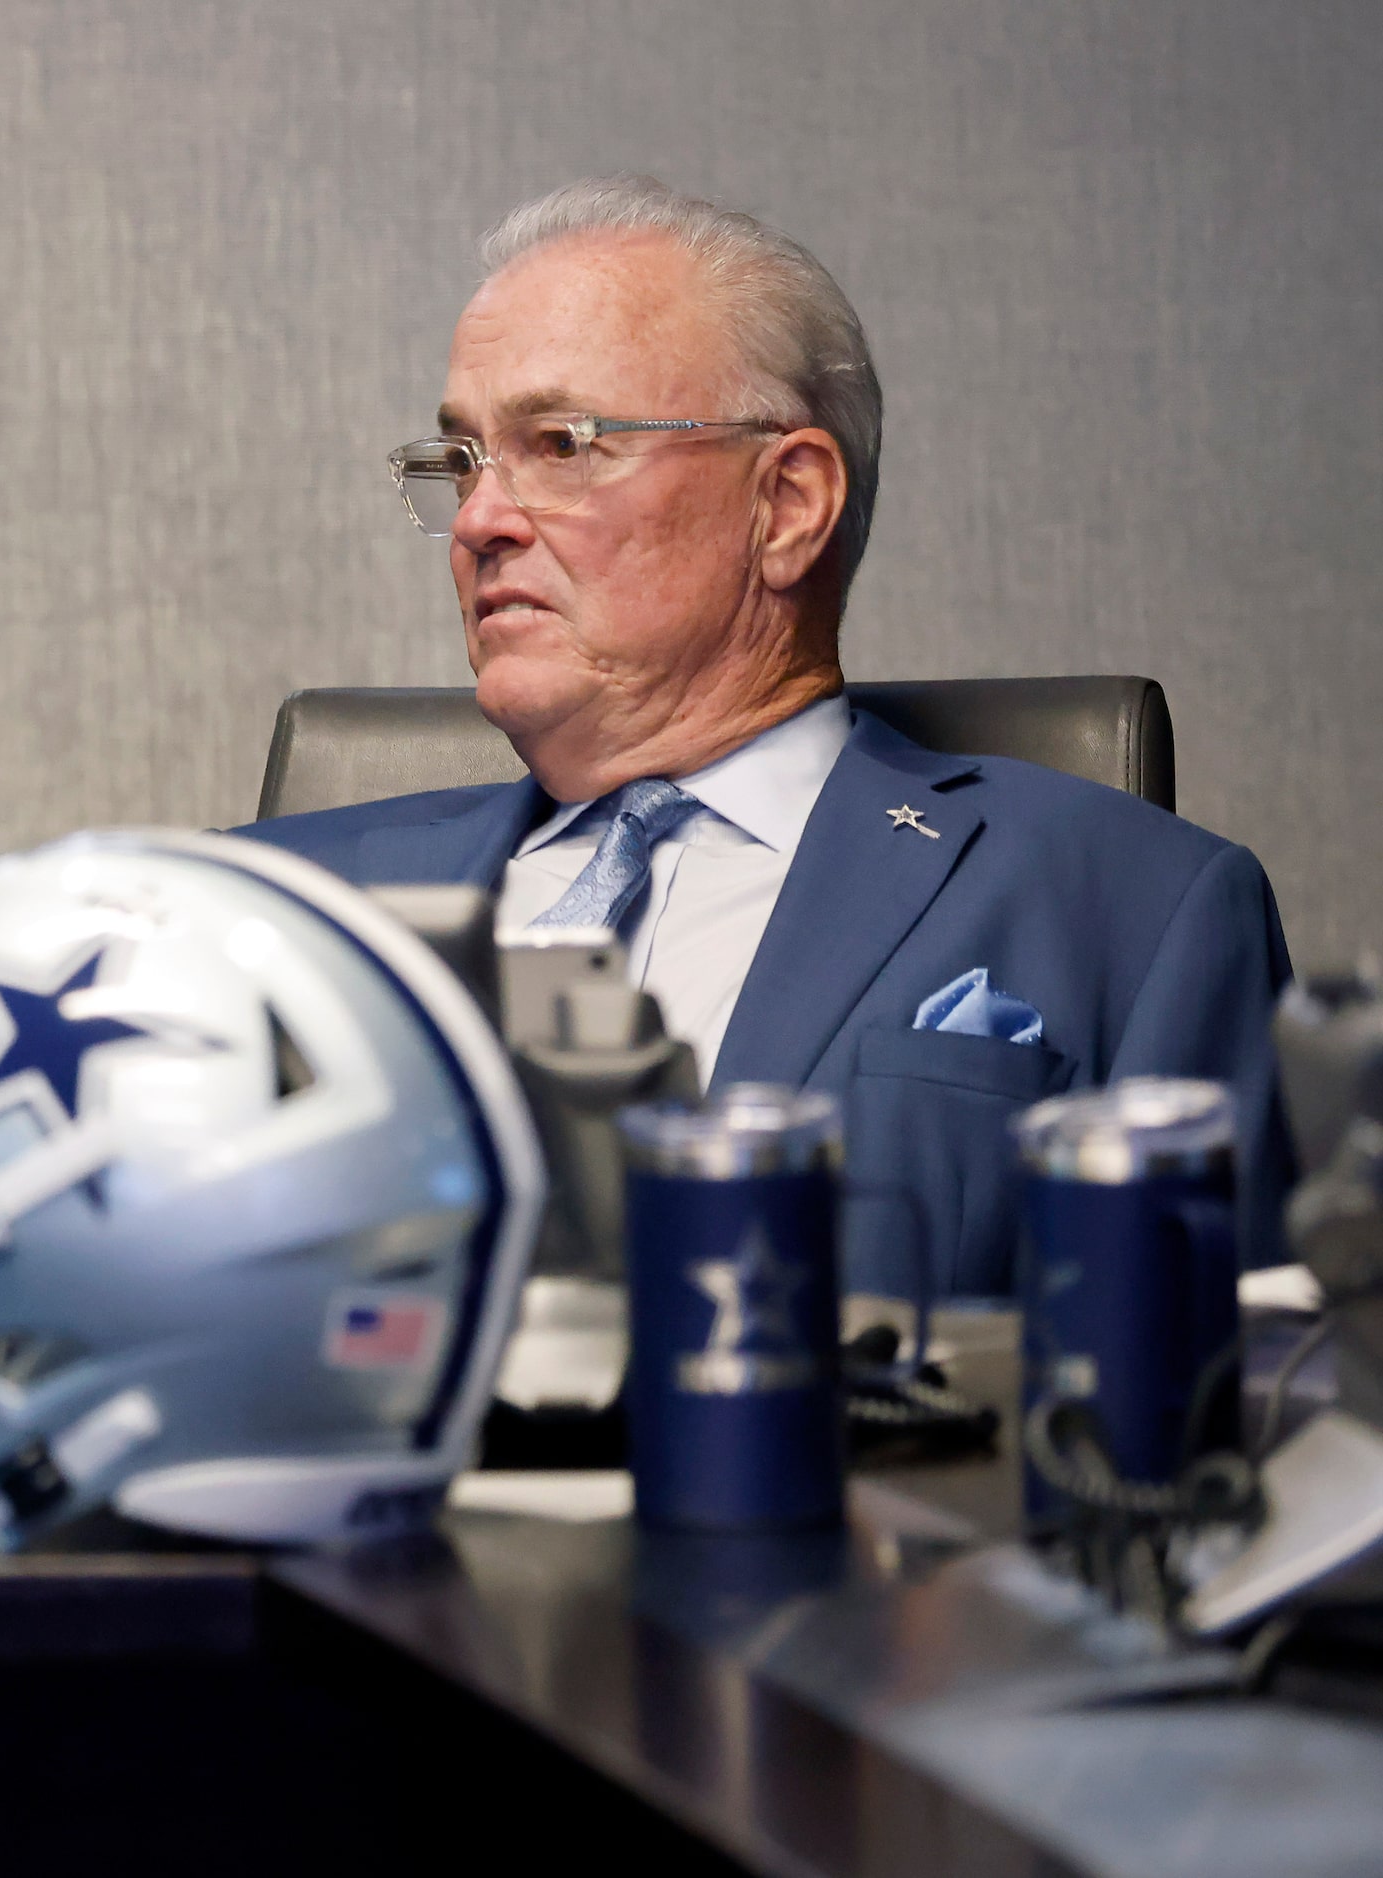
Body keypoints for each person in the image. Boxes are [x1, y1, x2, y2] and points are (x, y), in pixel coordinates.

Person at [242, 177, 1290, 1295]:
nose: (484, 522)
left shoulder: (1135, 908)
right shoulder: (267, 903)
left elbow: (1224, 1405)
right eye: (461, 461)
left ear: (787, 504)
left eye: (560, 445)